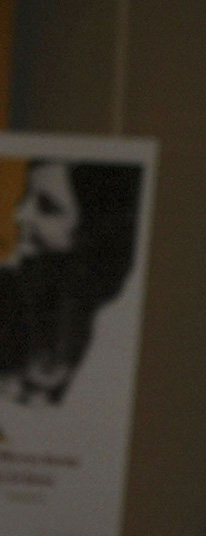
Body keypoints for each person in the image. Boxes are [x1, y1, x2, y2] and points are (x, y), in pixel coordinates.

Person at [0, 160, 142, 405]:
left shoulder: (112, 329)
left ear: (91, 232)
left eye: (47, 207)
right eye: (25, 197)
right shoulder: (11, 288)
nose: (20, 214)